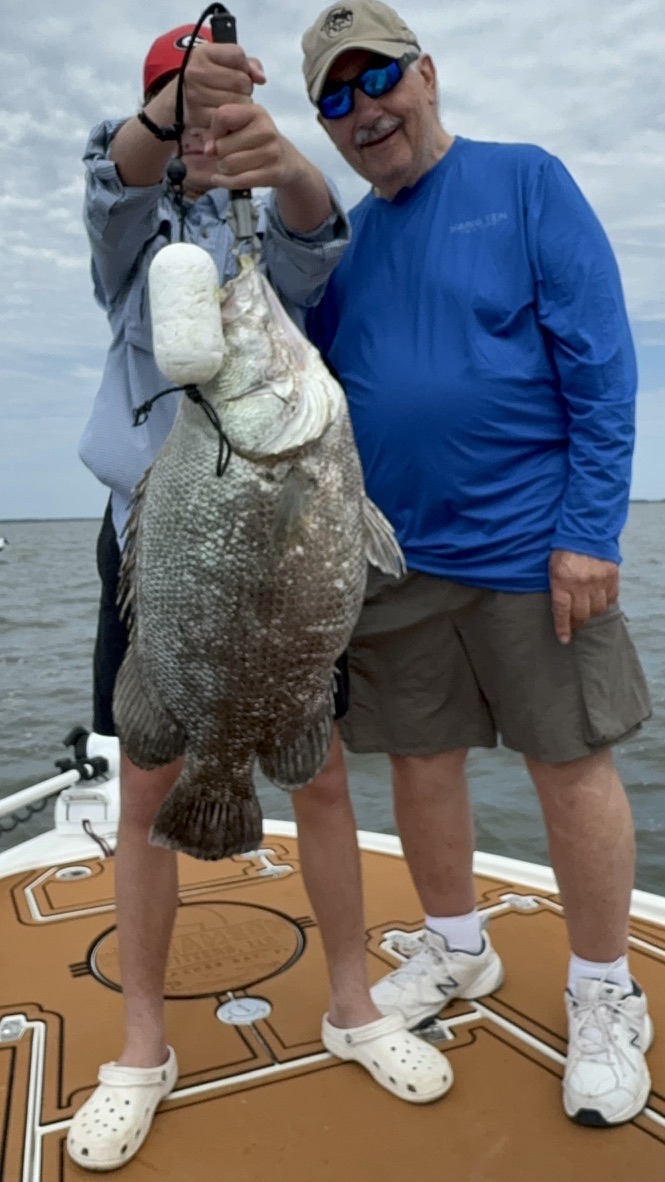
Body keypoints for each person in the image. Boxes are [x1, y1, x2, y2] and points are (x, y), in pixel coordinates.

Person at [68, 20, 452, 1172]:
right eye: (176, 104)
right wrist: (166, 122)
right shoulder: (132, 228)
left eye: (210, 104)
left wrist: (276, 157)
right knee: (146, 785)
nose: (196, 126)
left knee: (321, 777)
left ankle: (350, 1006)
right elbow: (115, 182)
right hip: (160, 544)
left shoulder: (263, 226)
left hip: (286, 540)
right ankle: (142, 1047)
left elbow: (309, 235)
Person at [297, 0, 654, 1129]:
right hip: (392, 565)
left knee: (568, 761)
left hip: (529, 547)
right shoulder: (349, 243)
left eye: (377, 79)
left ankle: (603, 993)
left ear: (427, 74)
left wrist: (590, 531)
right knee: (417, 761)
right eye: (334, 98)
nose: (363, 112)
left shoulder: (525, 180)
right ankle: (456, 949)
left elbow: (600, 362)